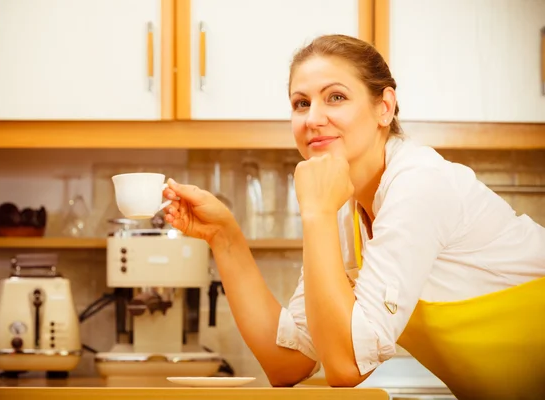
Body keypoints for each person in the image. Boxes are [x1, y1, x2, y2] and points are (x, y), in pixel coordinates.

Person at [162, 34, 545, 400]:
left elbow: (346, 368)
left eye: (336, 97)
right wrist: (223, 236)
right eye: (300, 103)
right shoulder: (347, 207)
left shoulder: (420, 183)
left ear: (385, 106)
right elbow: (288, 362)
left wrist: (317, 213)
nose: (313, 118)